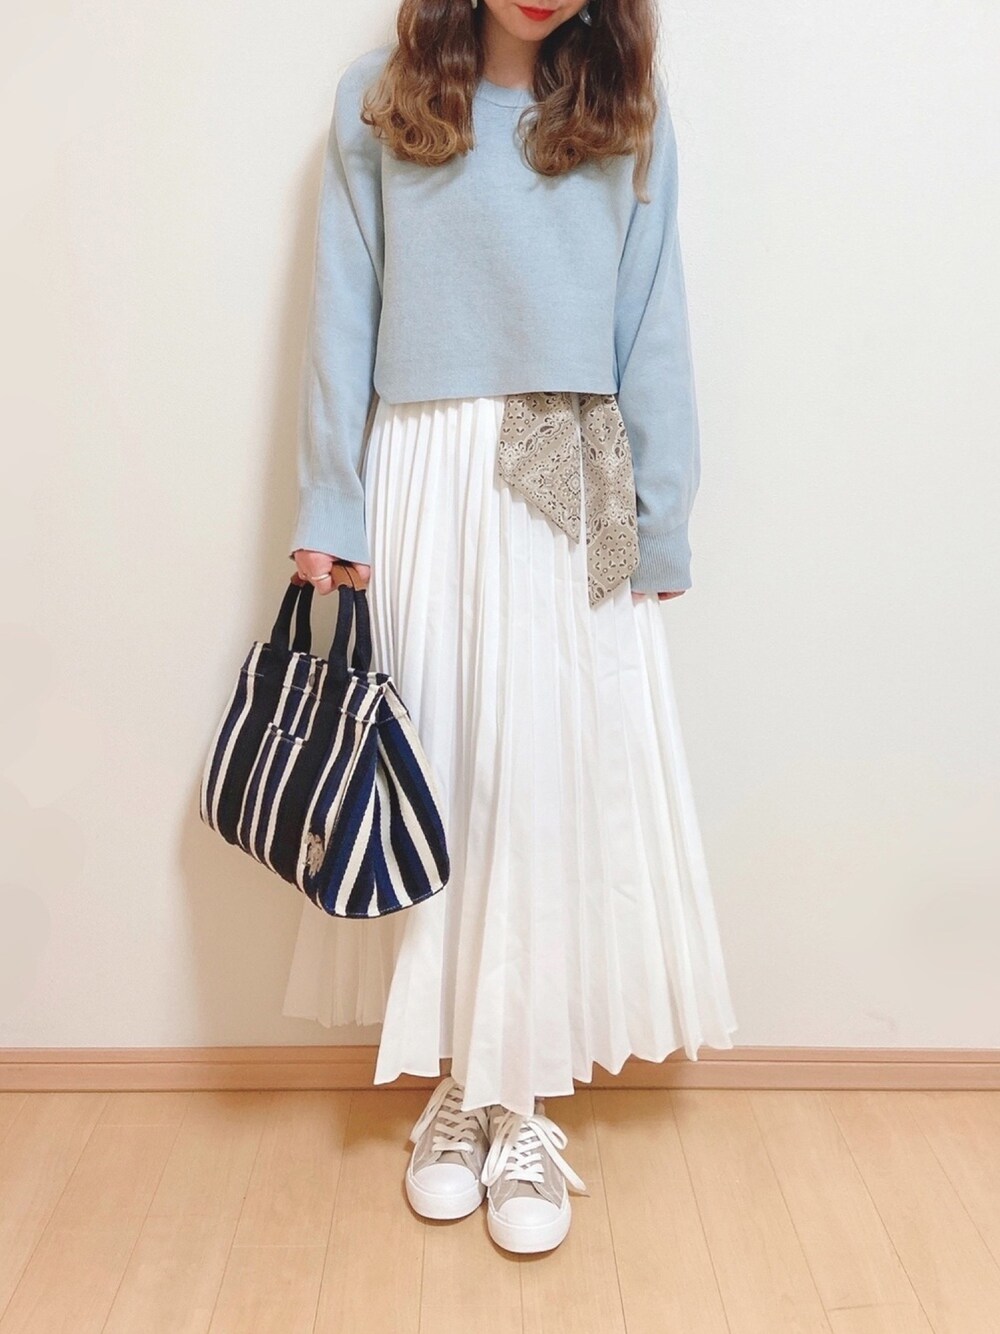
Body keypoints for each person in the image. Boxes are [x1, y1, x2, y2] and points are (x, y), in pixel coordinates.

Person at [282, 0, 738, 1255]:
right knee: (439, 777)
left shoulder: (628, 111)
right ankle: (459, 1086)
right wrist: (330, 501)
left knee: (546, 783)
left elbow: (652, 319)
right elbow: (341, 310)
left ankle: (520, 1099)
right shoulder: (376, 100)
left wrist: (659, 517)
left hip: (568, 465)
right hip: (421, 464)